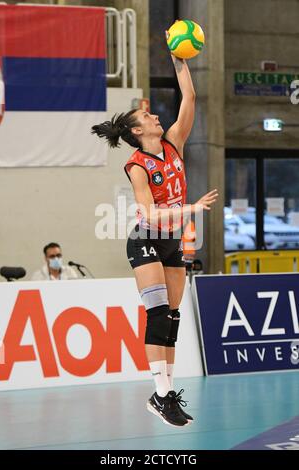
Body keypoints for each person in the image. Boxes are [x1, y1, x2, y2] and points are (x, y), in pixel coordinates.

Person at [91, 50, 218, 427]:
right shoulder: (137, 166)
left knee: (173, 319)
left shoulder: (174, 142)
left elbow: (190, 99)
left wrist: (180, 59)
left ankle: (163, 396)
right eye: (147, 116)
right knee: (159, 314)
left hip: (170, 242)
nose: (157, 116)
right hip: (145, 239)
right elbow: (149, 213)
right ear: (136, 131)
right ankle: (161, 395)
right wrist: (190, 209)